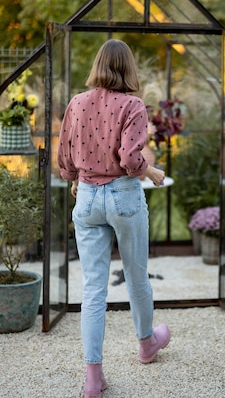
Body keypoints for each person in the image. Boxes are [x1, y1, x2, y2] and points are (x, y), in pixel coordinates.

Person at [57, 39, 171, 398]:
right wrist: (151, 171)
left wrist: (76, 179)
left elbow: (66, 155)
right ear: (128, 68)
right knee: (137, 277)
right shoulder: (133, 105)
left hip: (87, 198)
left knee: (93, 288)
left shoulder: (77, 102)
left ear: (98, 65)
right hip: (123, 196)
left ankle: (93, 378)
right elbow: (130, 159)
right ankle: (146, 345)